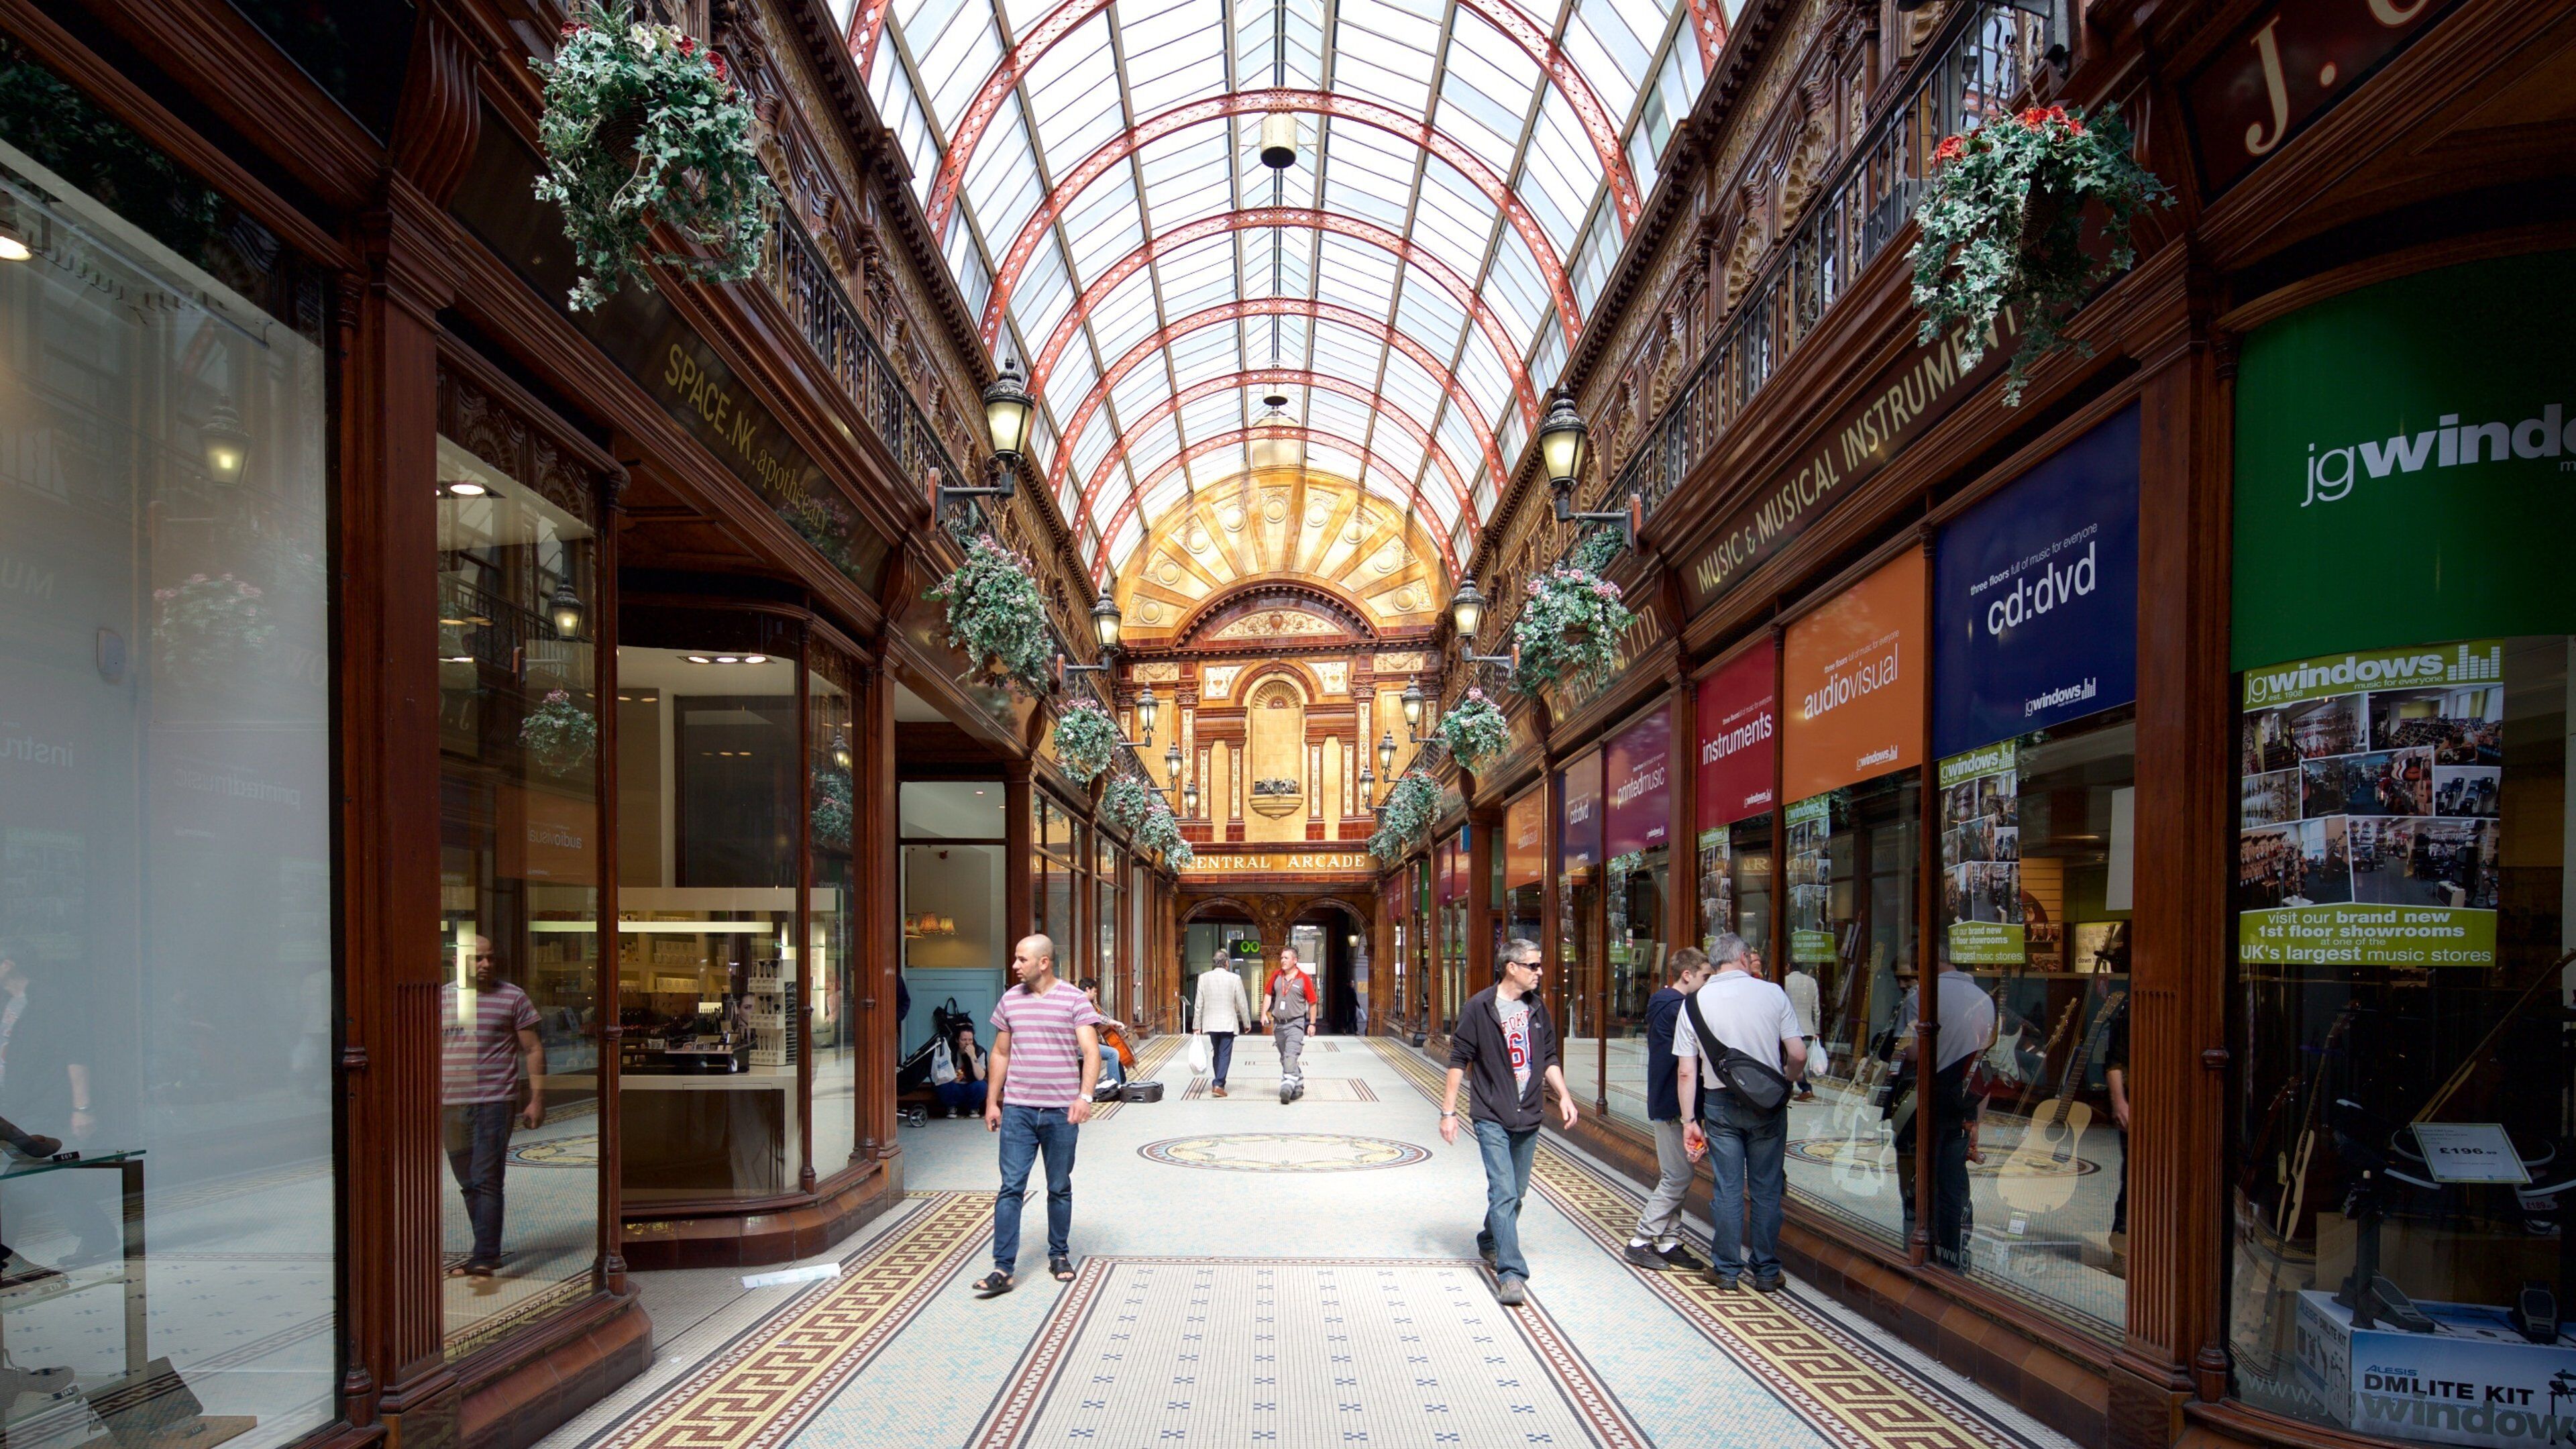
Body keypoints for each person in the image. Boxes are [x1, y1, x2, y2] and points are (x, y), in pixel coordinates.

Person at [1439, 939, 1577, 1307]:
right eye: (1533, 965)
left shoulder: (1537, 1008)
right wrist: (1448, 1112)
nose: (1540, 972)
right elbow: (1458, 1060)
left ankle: (1489, 1239)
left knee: (1516, 1193)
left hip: (1529, 1113)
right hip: (1491, 1114)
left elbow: (1548, 1056)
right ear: (1511, 967)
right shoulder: (1479, 1007)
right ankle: (1512, 1274)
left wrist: (1563, 1094)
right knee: (1503, 1191)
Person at [1674, 932, 1806, 1293]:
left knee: (1728, 1189)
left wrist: (1689, 1121)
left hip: (1719, 1105)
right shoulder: (1773, 993)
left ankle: (1726, 1269)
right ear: (1745, 958)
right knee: (1766, 1190)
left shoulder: (1695, 1003)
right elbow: (1798, 1055)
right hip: (1767, 1107)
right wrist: (1786, 1083)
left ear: (1716, 962)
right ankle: (1765, 1271)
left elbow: (1687, 1071)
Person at [976, 934, 1103, 1295]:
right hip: (1018, 1110)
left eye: (1021, 959)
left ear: (1043, 962)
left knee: (1059, 1186)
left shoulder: (1075, 1000)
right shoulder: (1010, 1001)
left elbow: (1091, 1052)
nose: (1015, 965)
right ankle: (1003, 1268)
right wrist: (992, 1101)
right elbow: (1001, 1054)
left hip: (1061, 1112)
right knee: (1010, 1188)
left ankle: (1059, 1255)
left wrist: (1085, 1097)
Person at [441, 934, 546, 1279]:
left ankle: (485, 1256)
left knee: (486, 1179)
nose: (486, 965)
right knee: (468, 1182)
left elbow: (533, 1049)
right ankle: (486, 1250)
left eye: (490, 958)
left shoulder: (512, 997)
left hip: (494, 1102)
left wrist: (536, 1099)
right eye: (478, 959)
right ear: (457, 962)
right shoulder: (438, 1000)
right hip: (451, 1104)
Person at [1891, 955, 1998, 1267]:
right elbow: (1982, 1067)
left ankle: (1920, 1249)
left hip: (1921, 1105)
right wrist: (1976, 1120)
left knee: (1916, 1178)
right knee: (1953, 1184)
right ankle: (1953, 1255)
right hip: (1962, 1107)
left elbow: (1910, 1051)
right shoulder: (1983, 1001)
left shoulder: (1921, 997)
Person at [1627, 947, 1711, 1271]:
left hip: (1668, 1099)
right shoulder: (1680, 1009)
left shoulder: (1667, 1004)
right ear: (1687, 975)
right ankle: (1641, 1240)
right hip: (1675, 1102)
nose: (1708, 984)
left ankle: (1669, 1240)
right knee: (1678, 1175)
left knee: (1678, 1173)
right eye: (1705, 977)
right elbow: (1685, 1063)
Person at [1262, 947, 1318, 1095]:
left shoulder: (1304, 979)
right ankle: (1298, 1085)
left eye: (1286, 958)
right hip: (1279, 1024)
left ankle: (1286, 1087)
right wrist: (1263, 1014)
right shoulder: (1276, 976)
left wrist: (1312, 1024)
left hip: (1296, 1024)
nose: (1283, 961)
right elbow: (1268, 995)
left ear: (1295, 960)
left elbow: (1312, 1002)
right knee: (1284, 1057)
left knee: (1290, 1056)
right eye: (1281, 958)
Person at [1193, 955, 1251, 1096]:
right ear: (1226, 963)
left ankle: (1219, 1081)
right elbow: (1242, 1002)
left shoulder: (1204, 978)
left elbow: (1198, 1004)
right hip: (1228, 1022)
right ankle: (1218, 1084)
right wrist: (1247, 1022)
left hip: (1210, 1022)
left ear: (1213, 964)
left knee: (1217, 1052)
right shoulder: (1234, 978)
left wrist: (1197, 1024)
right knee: (1225, 1053)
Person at [1078, 977, 1129, 1100]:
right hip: (1079, 1045)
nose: (1096, 994)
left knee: (1113, 1050)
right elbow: (1098, 1018)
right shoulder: (1081, 1004)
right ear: (1087, 989)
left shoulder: (1081, 1003)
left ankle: (1119, 1083)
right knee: (1113, 1053)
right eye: (1094, 991)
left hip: (1084, 1043)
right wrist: (1115, 1022)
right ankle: (1113, 1088)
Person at [1783, 960, 1822, 1100]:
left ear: (1788, 967)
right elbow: (1816, 1009)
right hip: (1807, 1029)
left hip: (1789, 1029)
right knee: (1796, 1061)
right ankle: (1796, 1088)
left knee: (1791, 1061)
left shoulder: (1784, 981)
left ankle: (1803, 1088)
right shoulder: (1811, 982)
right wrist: (1816, 1030)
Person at [936, 1025, 988, 1118]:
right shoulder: (949, 1051)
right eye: (964, 1040)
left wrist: (973, 1057)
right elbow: (940, 1073)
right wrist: (951, 1078)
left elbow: (981, 1077)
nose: (967, 1043)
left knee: (982, 1085)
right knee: (942, 1084)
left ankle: (974, 1107)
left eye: (970, 1040)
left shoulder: (980, 1051)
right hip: (955, 1087)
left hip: (971, 1086)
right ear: (957, 1040)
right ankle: (951, 1107)